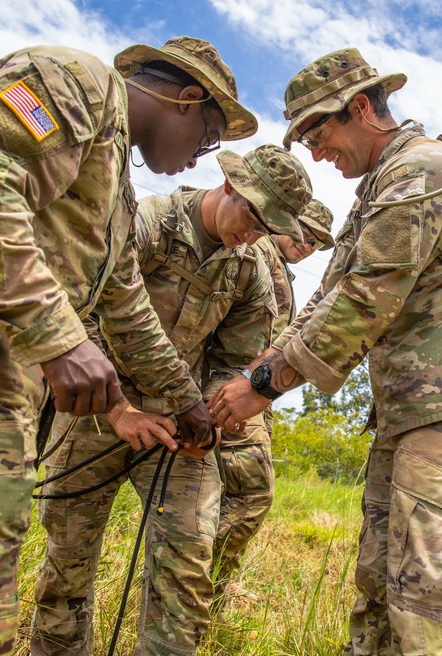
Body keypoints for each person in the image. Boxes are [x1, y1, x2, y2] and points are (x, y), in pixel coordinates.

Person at [0, 36, 256, 655]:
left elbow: (126, 306)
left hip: (1, 365)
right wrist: (58, 337)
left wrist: (185, 402)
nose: (200, 159)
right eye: (207, 140)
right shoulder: (76, 78)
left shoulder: (116, 187)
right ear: (186, 99)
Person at [209, 48, 442, 656]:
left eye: (317, 131)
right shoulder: (376, 189)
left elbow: (364, 299)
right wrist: (257, 372)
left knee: (434, 607)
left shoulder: (424, 171)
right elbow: (326, 299)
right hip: (411, 413)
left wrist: (262, 387)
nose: (313, 151)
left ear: (361, 108)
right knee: (382, 592)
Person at [30, 144, 312, 656]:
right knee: (66, 564)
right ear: (229, 187)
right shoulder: (149, 223)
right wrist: (117, 409)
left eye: (266, 230)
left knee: (186, 570)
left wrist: (209, 419)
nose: (251, 236)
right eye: (250, 217)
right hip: (95, 410)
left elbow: (235, 361)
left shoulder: (249, 269)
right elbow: (79, 309)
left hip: (179, 427)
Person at [211, 199, 334, 598]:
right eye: (304, 232)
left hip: (248, 395)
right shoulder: (257, 252)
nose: (308, 244)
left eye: (317, 241)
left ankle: (201, 589)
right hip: (231, 391)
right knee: (251, 494)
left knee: (222, 495)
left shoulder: (278, 267)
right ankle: (195, 585)